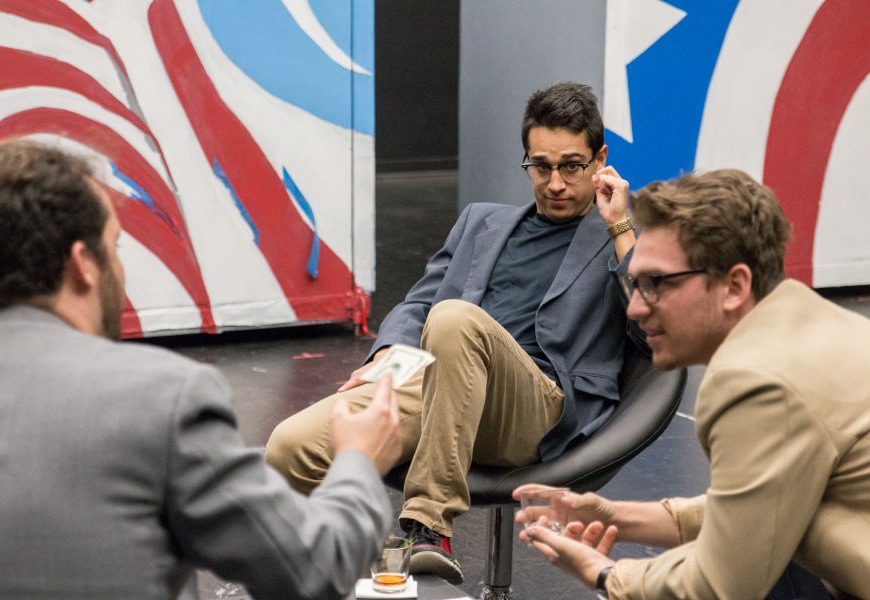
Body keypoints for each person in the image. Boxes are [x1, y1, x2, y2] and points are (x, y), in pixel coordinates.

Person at [0, 139, 403, 600]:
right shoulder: (160, 398)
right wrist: (358, 460)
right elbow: (315, 567)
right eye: (114, 246)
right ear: (83, 266)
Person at [265, 82, 645, 583]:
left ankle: (428, 526)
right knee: (287, 448)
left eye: (572, 166)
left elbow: (651, 327)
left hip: (537, 405)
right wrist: (385, 354)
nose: (555, 182)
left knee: (454, 318)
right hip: (444, 385)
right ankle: (380, 555)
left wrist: (620, 227)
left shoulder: (622, 235)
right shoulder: (481, 222)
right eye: (540, 166)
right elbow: (420, 301)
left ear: (601, 160)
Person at [515, 169, 870, 599]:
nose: (635, 309)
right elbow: (755, 509)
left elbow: (722, 585)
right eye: (635, 283)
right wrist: (615, 516)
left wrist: (607, 576)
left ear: (734, 286)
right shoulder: (808, 317)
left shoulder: (755, 380)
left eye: (655, 284)